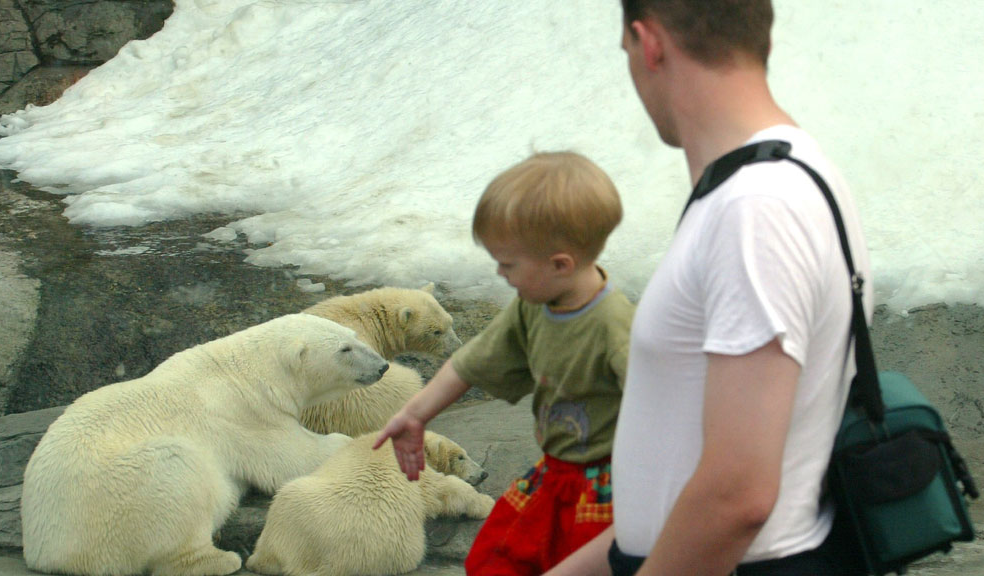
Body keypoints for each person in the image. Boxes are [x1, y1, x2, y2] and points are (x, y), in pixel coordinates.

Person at [546, 1, 872, 575]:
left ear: (649, 44)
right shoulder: (769, 184)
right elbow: (684, 476)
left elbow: (737, 496)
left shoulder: (756, 209)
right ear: (760, 41)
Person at [373, 150, 636, 575]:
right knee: (496, 560)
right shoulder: (536, 303)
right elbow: (472, 363)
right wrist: (414, 414)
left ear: (560, 264)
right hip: (555, 474)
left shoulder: (616, 330)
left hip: (607, 491)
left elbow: (668, 418)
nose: (499, 272)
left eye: (508, 263)